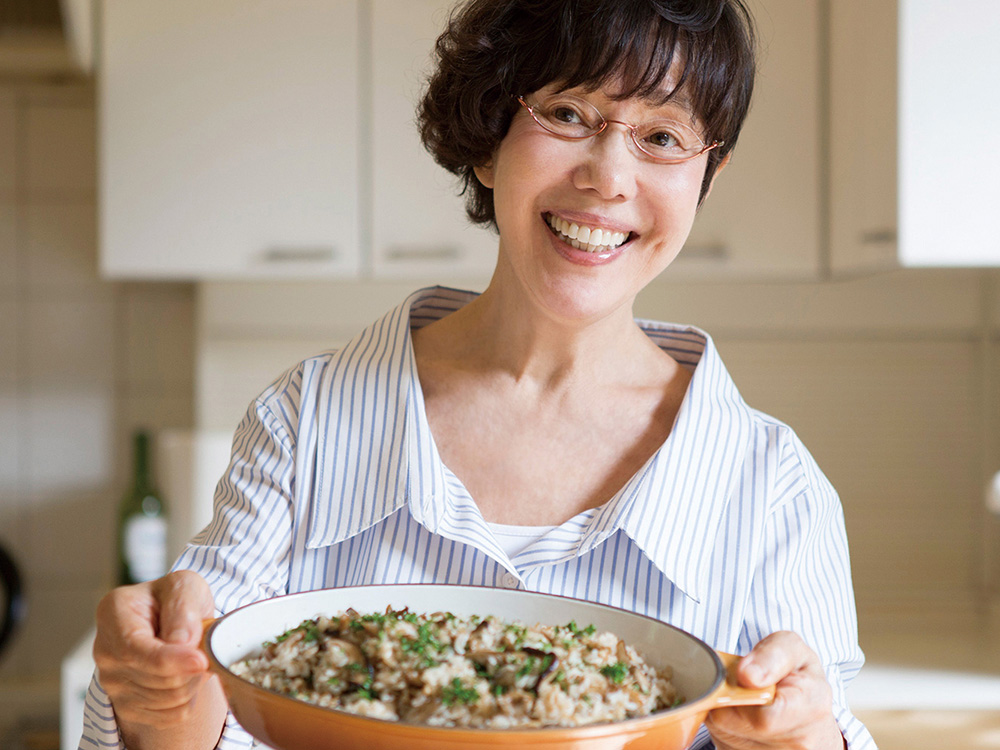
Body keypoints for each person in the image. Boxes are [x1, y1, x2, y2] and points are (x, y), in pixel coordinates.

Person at [80, 0, 877, 748]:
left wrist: (808, 737)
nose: (608, 176)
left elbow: (823, 720)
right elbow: (191, 696)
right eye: (568, 113)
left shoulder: (772, 487)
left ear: (708, 175)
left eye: (663, 137)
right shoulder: (307, 423)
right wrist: (157, 705)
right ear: (492, 135)